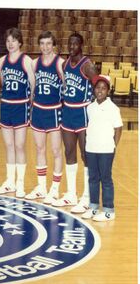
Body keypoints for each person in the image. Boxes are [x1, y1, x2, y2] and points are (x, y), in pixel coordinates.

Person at [52, 32, 97, 212]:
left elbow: (99, 86)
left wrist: (96, 110)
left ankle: (87, 197)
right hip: (68, 112)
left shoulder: (87, 65)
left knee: (86, 155)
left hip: (83, 113)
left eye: (75, 44)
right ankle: (71, 194)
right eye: (69, 44)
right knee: (69, 152)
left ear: (81, 45)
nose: (71, 47)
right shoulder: (64, 64)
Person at [0, 28, 35, 198]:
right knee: (9, 146)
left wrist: (31, 106)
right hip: (6, 106)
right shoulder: (1, 61)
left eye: (14, 40)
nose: (10, 44)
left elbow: (33, 86)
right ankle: (9, 181)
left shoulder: (27, 61)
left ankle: (20, 184)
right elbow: (3, 84)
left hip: (21, 106)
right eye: (8, 40)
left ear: (20, 42)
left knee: (19, 145)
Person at [26, 31, 64, 203]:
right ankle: (41, 187)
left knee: (56, 150)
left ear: (53, 44)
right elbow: (32, 87)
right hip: (39, 110)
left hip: (55, 110)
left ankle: (55, 189)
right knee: (40, 149)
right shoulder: (34, 63)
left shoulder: (60, 63)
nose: (45, 47)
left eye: (48, 43)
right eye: (42, 43)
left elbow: (65, 86)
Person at [81, 75, 122, 221]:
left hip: (106, 150)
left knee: (105, 179)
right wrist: (86, 147)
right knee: (92, 178)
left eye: (103, 88)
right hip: (91, 148)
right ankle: (93, 207)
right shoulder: (90, 107)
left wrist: (113, 146)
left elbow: (118, 128)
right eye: (98, 88)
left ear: (108, 91)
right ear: (94, 90)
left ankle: (109, 210)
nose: (100, 91)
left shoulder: (113, 108)